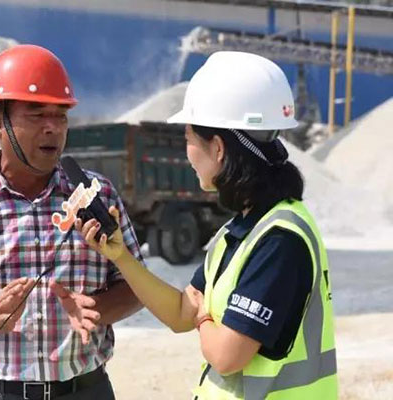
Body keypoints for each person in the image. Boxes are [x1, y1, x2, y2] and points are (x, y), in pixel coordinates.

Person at [76, 51, 337, 399]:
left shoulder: (280, 240)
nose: (186, 154)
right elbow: (181, 312)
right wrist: (121, 256)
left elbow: (227, 355)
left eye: (187, 139)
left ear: (217, 148)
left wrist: (204, 318)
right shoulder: (240, 231)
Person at [0, 44, 144, 400]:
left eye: (60, 116)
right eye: (36, 115)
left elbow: (136, 286)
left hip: (86, 390)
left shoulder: (97, 196)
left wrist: (94, 309)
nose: (52, 128)